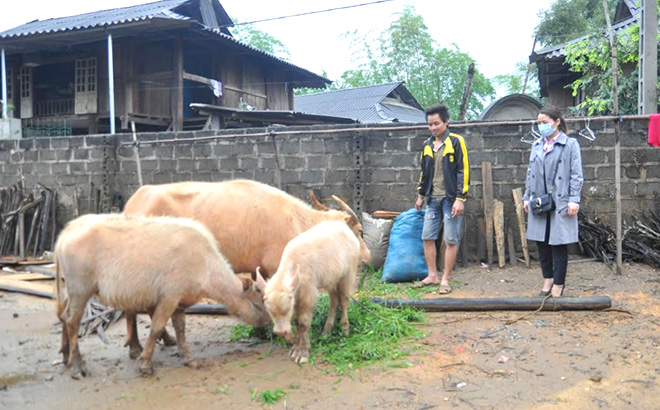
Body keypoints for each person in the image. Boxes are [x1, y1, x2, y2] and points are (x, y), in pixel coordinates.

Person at [523, 105, 584, 298]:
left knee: (559, 242)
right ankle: (547, 278)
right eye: (539, 123)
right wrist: (527, 197)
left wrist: (574, 200)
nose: (541, 126)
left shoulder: (570, 144)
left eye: (545, 123)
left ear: (557, 122)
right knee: (541, 241)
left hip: (561, 199)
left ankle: (559, 283)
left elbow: (576, 174)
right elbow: (530, 173)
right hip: (540, 200)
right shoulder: (536, 145)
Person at [412, 104, 469, 294]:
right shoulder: (427, 145)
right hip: (432, 199)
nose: (433, 128)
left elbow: (464, 170)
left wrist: (460, 199)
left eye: (436, 123)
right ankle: (432, 275)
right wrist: (421, 196)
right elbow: (424, 173)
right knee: (427, 237)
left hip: (450, 199)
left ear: (446, 122)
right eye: (430, 125)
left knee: (451, 239)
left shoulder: (456, 141)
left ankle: (445, 279)